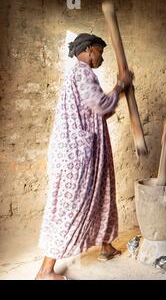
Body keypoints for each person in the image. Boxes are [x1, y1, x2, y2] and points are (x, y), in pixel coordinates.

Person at [36, 33, 134, 280]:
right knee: (72, 207)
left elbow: (99, 112)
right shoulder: (82, 72)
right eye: (100, 52)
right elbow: (101, 105)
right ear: (90, 50)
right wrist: (121, 85)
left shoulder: (80, 75)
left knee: (102, 195)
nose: (101, 57)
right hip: (77, 155)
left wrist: (119, 93)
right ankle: (45, 271)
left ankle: (106, 246)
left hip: (85, 151)